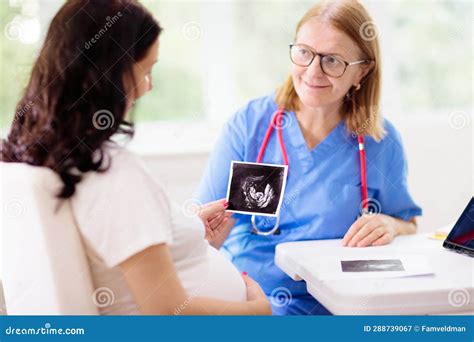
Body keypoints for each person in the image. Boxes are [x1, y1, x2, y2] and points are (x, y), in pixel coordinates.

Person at [1, 0, 270, 315]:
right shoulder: (111, 172)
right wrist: (258, 314)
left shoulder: (51, 159)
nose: (148, 86)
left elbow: (114, 258)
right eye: (145, 71)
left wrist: (185, 237)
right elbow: (165, 310)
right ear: (107, 74)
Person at [197, 0, 422, 315]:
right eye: (304, 52)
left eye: (332, 60)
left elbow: (408, 222)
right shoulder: (250, 126)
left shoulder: (379, 140)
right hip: (255, 303)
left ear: (363, 70)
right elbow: (201, 236)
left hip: (342, 305)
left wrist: (391, 225)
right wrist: (201, 239)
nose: (313, 71)